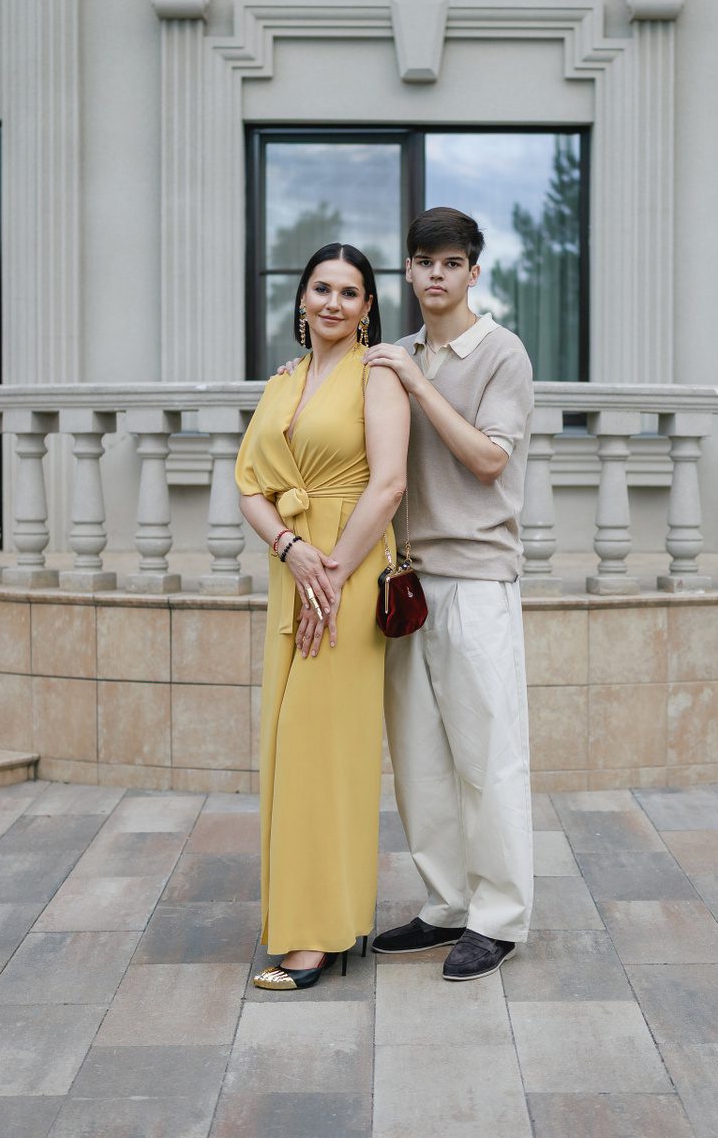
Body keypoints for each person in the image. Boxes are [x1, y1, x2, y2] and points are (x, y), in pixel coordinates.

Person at [366, 207, 536, 982]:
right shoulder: (395, 355)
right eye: (423, 261)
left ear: (473, 272)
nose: (435, 274)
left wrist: (415, 382)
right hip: (406, 584)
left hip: (476, 580)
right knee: (421, 761)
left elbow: (488, 459)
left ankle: (496, 919)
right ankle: (445, 905)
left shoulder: (501, 353)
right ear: (408, 271)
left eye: (450, 262)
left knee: (488, 758)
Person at [235, 242, 409, 991]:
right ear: (302, 299)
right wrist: (290, 549)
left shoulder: (379, 376)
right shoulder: (283, 381)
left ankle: (316, 935)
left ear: (368, 307)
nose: (333, 302)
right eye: (321, 288)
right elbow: (249, 484)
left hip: (350, 568)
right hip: (297, 568)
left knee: (323, 747)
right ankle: (311, 917)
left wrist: (332, 572)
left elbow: (390, 483)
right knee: (288, 744)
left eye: (349, 291)